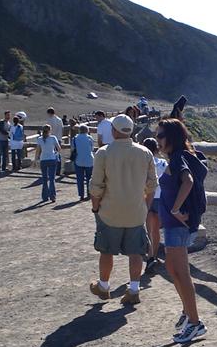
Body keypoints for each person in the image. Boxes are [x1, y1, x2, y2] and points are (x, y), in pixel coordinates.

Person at [88, 114, 157, 306]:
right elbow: (152, 185)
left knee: (106, 251)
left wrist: (95, 208)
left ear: (113, 131)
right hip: (136, 211)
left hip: (109, 212)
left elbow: (96, 187)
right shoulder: (145, 153)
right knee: (136, 252)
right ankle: (133, 290)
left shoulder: (103, 153)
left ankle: (103, 286)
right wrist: (145, 206)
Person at [156, 118, 207, 343]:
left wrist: (176, 208)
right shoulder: (176, 157)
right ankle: (188, 311)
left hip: (177, 225)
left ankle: (195, 323)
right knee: (172, 268)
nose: (157, 140)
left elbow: (188, 181)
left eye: (161, 135)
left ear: (172, 138)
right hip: (171, 225)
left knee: (181, 273)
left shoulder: (177, 158)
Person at [143, 137, 167, 269]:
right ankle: (153, 255)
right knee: (156, 230)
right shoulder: (162, 163)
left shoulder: (141, 163)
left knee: (149, 228)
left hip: (146, 197)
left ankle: (150, 254)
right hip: (159, 198)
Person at [35, 124, 61, 203]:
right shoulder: (53, 138)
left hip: (43, 159)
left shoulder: (40, 139)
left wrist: (36, 159)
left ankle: (45, 196)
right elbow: (59, 148)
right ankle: (52, 196)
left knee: (44, 178)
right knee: (52, 179)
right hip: (52, 159)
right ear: (50, 130)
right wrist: (56, 153)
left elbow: (38, 150)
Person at [72, 124, 94, 200]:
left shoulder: (74, 138)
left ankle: (81, 195)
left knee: (80, 178)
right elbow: (92, 149)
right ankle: (89, 193)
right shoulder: (90, 138)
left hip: (78, 160)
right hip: (89, 160)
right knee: (89, 178)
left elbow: (72, 149)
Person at [46, 107, 64, 177]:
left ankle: (52, 170)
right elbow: (62, 129)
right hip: (59, 138)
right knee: (58, 155)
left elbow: (49, 130)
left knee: (51, 155)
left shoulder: (50, 120)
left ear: (49, 113)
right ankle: (58, 170)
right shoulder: (59, 120)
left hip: (52, 139)